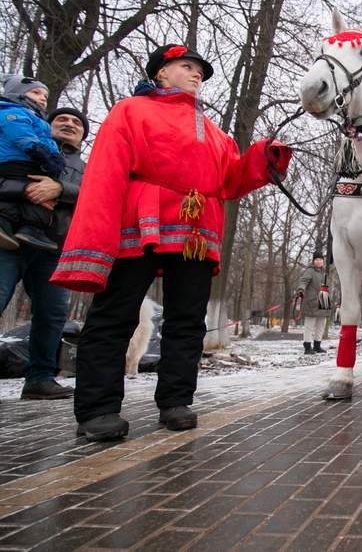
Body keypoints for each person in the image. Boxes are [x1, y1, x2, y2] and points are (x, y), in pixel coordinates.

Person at [50, 43, 292, 441]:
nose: (197, 74)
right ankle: (97, 409)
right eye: (187, 66)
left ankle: (176, 401)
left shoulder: (213, 131)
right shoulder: (130, 111)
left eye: (200, 70)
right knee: (116, 313)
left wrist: (262, 157)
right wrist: (97, 237)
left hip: (197, 230)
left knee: (187, 319)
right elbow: (106, 173)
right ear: (161, 72)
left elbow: (229, 181)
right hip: (141, 223)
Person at [0, 96, 88, 402]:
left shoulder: (86, 168)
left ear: (82, 136)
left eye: (76, 123)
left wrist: (61, 189)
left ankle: (39, 378)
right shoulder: (19, 148)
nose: (69, 124)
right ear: (45, 126)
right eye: (61, 119)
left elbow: (93, 195)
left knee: (52, 315)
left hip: (54, 248)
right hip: (8, 239)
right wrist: (25, 189)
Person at [0, 74, 65, 252]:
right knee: (15, 198)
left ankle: (32, 229)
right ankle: (3, 223)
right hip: (15, 161)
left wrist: (55, 156)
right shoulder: (13, 111)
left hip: (32, 162)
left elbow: (46, 139)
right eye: (36, 93)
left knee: (40, 199)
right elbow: (19, 132)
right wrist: (37, 150)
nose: (42, 98)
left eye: (45, 96)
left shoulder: (39, 119)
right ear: (17, 94)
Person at [296, 251, 331, 354]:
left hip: (323, 299)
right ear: (313, 261)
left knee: (321, 325)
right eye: (317, 260)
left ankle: (317, 346)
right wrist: (301, 290)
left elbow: (326, 286)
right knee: (309, 325)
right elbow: (303, 281)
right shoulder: (310, 271)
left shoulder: (324, 272)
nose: (319, 261)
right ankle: (307, 347)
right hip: (312, 301)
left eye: (320, 260)